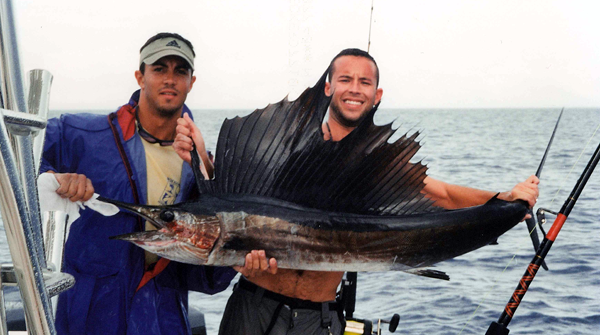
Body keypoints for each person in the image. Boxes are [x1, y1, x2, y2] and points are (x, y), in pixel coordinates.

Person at [174, 48, 539, 335]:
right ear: (328, 87)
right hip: (252, 308)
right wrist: (203, 154)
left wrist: (503, 200)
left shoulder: (374, 164)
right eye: (345, 79)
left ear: (376, 94)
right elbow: (231, 195)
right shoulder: (288, 147)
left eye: (364, 82)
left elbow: (440, 194)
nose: (355, 88)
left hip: (317, 319)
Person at [40, 32, 239, 335]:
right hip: (89, 319)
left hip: (164, 320)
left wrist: (236, 260)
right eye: (159, 69)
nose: (170, 79)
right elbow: (15, 154)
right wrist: (52, 179)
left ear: (191, 82)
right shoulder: (82, 133)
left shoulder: (202, 167)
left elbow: (202, 278)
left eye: (180, 71)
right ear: (140, 76)